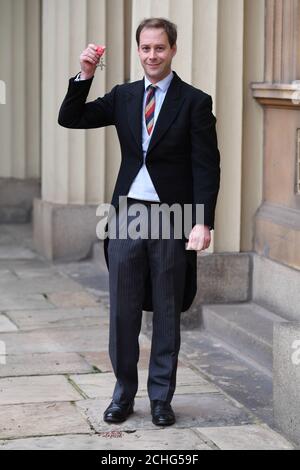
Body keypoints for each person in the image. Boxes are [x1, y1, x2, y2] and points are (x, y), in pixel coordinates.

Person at [58, 17, 220, 426]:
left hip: (172, 218)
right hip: (127, 216)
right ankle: (123, 394)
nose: (152, 55)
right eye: (145, 48)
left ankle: (162, 400)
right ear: (138, 50)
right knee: (123, 313)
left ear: (173, 49)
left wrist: (203, 222)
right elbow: (70, 117)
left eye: (159, 48)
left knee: (167, 310)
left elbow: (206, 167)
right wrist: (86, 75)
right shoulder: (124, 96)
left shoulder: (195, 102)